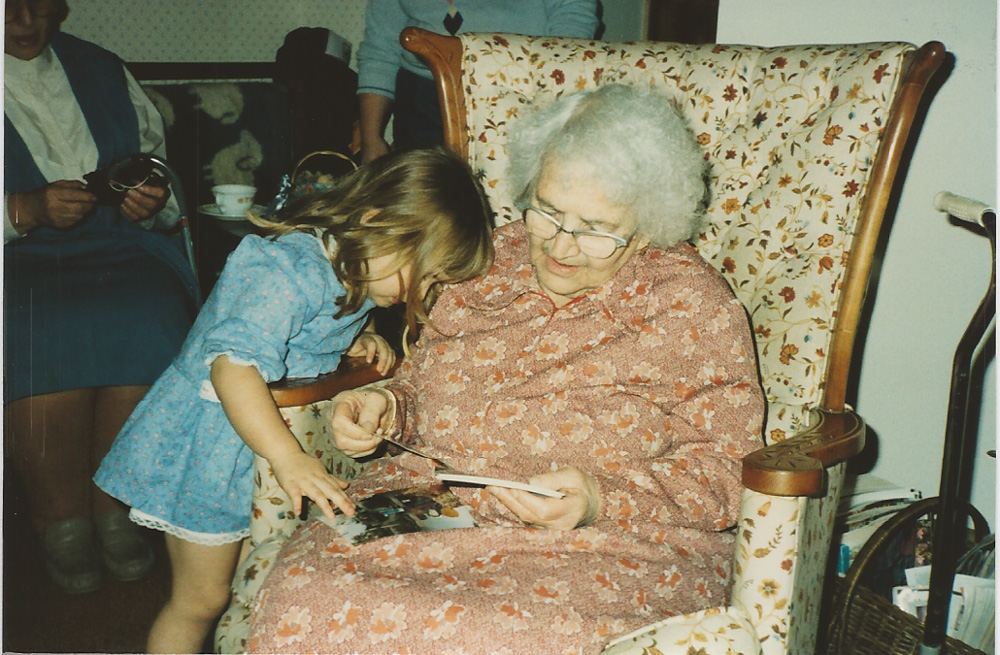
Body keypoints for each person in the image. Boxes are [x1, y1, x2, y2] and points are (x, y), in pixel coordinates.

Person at [246, 84, 766, 654]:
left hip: (610, 541)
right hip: (438, 504)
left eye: (595, 228)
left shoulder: (693, 304)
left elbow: (727, 469)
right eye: (547, 212)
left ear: (645, 227)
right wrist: (387, 408)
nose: (561, 246)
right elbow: (424, 384)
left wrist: (602, 497)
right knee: (305, 594)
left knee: (515, 635)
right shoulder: (484, 260)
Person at [94, 146, 495, 654]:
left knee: (251, 584)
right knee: (200, 600)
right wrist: (288, 457)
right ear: (376, 221)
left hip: (260, 450)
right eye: (424, 272)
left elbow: (308, 328)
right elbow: (232, 367)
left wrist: (360, 335)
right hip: (212, 447)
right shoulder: (286, 268)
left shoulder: (360, 270)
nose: (424, 291)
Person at [4, 0, 197, 595]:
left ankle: (113, 508)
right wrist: (22, 209)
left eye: (37, 4)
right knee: (35, 326)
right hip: (15, 257)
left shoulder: (103, 67)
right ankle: (59, 520)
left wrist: (150, 201)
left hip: (120, 248)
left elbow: (161, 174)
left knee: (150, 315)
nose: (24, 20)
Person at [356, 0, 599, 163]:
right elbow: (380, 50)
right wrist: (371, 139)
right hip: (423, 96)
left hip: (519, 87)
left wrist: (545, 94)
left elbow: (574, 15)